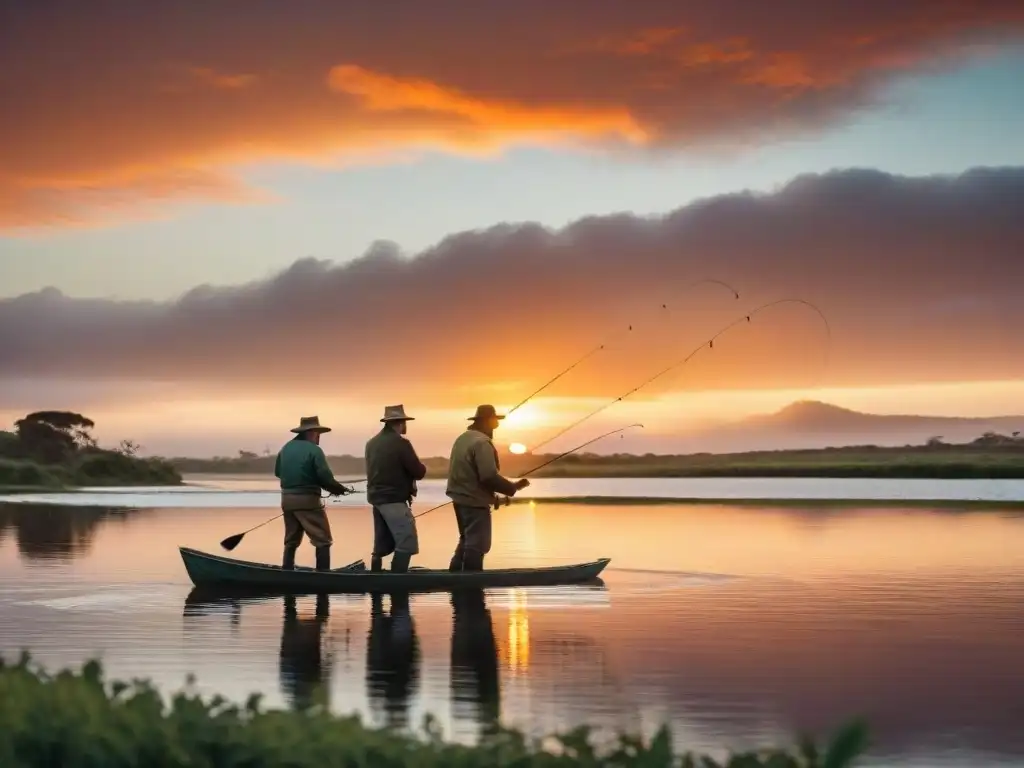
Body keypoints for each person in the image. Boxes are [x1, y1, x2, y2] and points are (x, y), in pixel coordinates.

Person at [445, 404, 529, 571]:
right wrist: (512, 488)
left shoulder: (463, 438)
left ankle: (454, 577)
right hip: (474, 502)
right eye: (495, 420)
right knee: (477, 543)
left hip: (459, 499)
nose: (497, 425)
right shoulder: (482, 442)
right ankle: (471, 581)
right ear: (488, 421)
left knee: (466, 540)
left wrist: (502, 493)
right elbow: (488, 476)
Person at [274, 415, 354, 571]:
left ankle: (287, 570)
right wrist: (339, 489)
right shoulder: (315, 450)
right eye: (318, 433)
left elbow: (278, 472)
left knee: (291, 539)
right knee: (323, 539)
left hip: (287, 500)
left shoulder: (285, 448)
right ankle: (323, 576)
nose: (319, 437)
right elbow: (325, 477)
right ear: (310, 432)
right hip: (308, 501)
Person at [364, 404, 427, 572]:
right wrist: (424, 467)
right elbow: (418, 471)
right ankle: (398, 579)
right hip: (393, 500)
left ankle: (375, 579)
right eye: (405, 422)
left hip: (376, 499)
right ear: (400, 423)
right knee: (406, 542)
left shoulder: (371, 443)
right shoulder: (401, 443)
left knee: (381, 542)